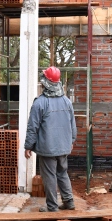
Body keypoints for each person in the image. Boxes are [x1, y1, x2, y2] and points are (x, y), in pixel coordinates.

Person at [24, 66, 77, 212]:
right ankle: (69, 202)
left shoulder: (40, 103)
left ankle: (52, 207)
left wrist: (28, 146)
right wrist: (71, 141)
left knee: (49, 176)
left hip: (47, 147)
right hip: (63, 146)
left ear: (45, 82)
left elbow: (32, 127)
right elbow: (73, 123)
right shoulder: (66, 101)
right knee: (62, 173)